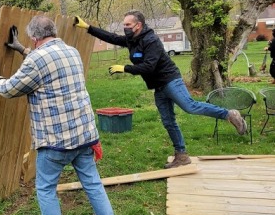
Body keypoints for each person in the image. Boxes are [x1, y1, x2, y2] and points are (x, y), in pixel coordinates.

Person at [0, 15, 128, 215]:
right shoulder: (71, 52)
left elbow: (10, 89)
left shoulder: (37, 59)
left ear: (34, 37)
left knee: (45, 188)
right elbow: (46, 64)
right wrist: (21, 49)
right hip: (84, 135)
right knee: (92, 183)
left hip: (56, 141)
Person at [75, 10, 247, 169]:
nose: (124, 27)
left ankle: (229, 114)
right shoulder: (132, 39)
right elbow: (111, 37)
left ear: (138, 25)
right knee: (168, 121)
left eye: (127, 24)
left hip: (171, 80)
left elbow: (149, 66)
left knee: (190, 106)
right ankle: (182, 155)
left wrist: (125, 68)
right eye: (124, 24)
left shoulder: (151, 40)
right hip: (158, 86)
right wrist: (87, 28)